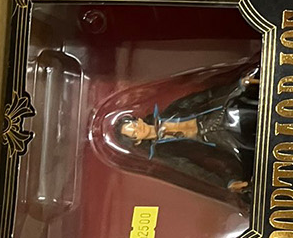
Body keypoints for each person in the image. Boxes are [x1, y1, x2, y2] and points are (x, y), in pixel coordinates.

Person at [99, 61, 262, 205]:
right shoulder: (165, 151)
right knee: (250, 149)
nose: (138, 128)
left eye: (134, 125)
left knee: (246, 111)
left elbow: (206, 97)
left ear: (138, 120)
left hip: (219, 115)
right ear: (137, 141)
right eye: (134, 133)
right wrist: (228, 182)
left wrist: (238, 86)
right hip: (219, 139)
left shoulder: (171, 111)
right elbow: (193, 170)